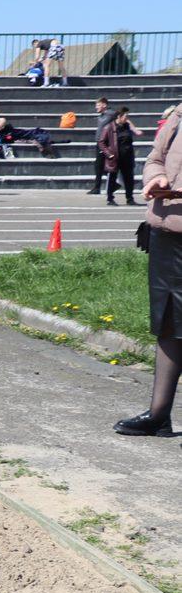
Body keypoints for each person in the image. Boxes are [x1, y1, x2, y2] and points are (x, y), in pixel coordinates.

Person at [114, 112, 182, 441]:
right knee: (168, 321)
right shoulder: (179, 114)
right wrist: (156, 177)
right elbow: (156, 157)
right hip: (166, 230)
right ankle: (159, 414)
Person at [101, 107, 138, 206]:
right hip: (115, 157)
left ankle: (130, 198)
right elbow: (101, 142)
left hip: (127, 157)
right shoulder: (109, 127)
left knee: (129, 179)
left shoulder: (127, 126)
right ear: (119, 116)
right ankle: (110, 198)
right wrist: (109, 154)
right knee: (112, 178)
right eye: (126, 116)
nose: (127, 118)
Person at [89, 97, 115, 195]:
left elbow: (124, 119)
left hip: (104, 143)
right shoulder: (103, 115)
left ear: (104, 105)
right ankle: (112, 185)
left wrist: (134, 129)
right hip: (99, 142)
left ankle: (97, 187)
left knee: (99, 165)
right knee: (99, 166)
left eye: (98, 105)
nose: (96, 107)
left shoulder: (111, 114)